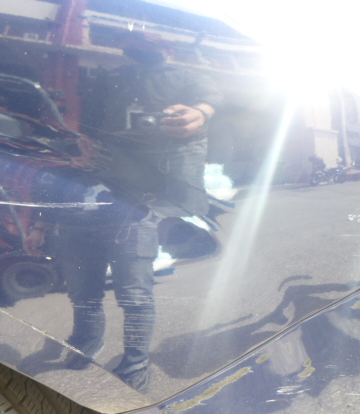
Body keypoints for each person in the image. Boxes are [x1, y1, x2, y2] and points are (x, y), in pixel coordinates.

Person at [24, 31, 222, 390]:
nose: (137, 48)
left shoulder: (186, 80)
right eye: (133, 43)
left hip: (137, 208)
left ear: (167, 47)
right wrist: (40, 223)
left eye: (148, 43)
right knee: (83, 295)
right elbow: (54, 180)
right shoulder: (108, 83)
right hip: (79, 216)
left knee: (134, 296)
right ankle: (86, 341)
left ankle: (135, 364)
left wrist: (200, 113)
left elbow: (210, 98)